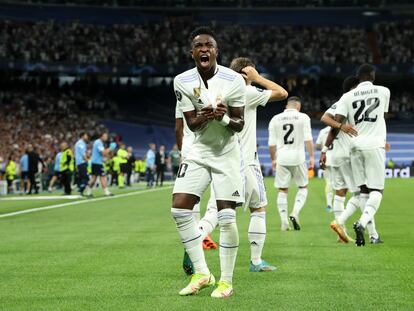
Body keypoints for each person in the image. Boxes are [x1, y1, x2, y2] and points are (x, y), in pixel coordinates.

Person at [171, 26, 246, 298]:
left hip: (226, 152)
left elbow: (239, 124)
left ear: (216, 51)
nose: (204, 49)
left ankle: (226, 282)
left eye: (209, 45)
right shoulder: (181, 80)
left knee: (226, 217)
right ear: (192, 52)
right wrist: (207, 115)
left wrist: (223, 117)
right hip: (199, 151)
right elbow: (190, 123)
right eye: (199, 46)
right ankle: (202, 273)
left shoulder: (233, 79)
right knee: (180, 209)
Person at [199, 57, 288, 273]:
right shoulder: (246, 92)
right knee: (258, 208)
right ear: (246, 73)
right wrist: (258, 78)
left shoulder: (219, 93)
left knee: (215, 210)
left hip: (221, 160)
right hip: (246, 161)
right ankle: (256, 261)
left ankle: (194, 241)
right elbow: (282, 93)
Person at [324, 64, 390, 246]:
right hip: (374, 145)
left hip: (354, 146)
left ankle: (370, 233)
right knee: (377, 191)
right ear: (372, 75)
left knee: (362, 191)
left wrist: (325, 149)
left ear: (358, 77)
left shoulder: (346, 96)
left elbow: (335, 123)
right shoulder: (383, 91)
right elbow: (380, 116)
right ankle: (361, 223)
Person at [268, 96, 314, 231]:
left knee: (282, 190)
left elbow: (271, 144)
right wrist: (311, 156)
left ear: (286, 107)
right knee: (303, 187)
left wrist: (273, 159)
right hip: (298, 157)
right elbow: (308, 139)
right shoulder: (303, 117)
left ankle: (284, 222)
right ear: (298, 107)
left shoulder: (275, 119)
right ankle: (295, 212)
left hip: (282, 157)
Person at [85, 132, 115, 197]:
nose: (106, 137)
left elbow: (103, 154)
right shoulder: (98, 142)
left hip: (96, 162)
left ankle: (88, 191)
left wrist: (107, 155)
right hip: (97, 163)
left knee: (94, 178)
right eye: (105, 136)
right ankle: (106, 192)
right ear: (101, 136)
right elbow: (104, 152)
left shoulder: (99, 142)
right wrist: (111, 148)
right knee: (102, 177)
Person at [315, 126, 334, 212]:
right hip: (338, 158)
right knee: (340, 183)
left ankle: (329, 204)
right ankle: (340, 204)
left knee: (328, 182)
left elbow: (318, 146)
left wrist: (324, 147)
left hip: (326, 159)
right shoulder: (340, 128)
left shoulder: (323, 131)